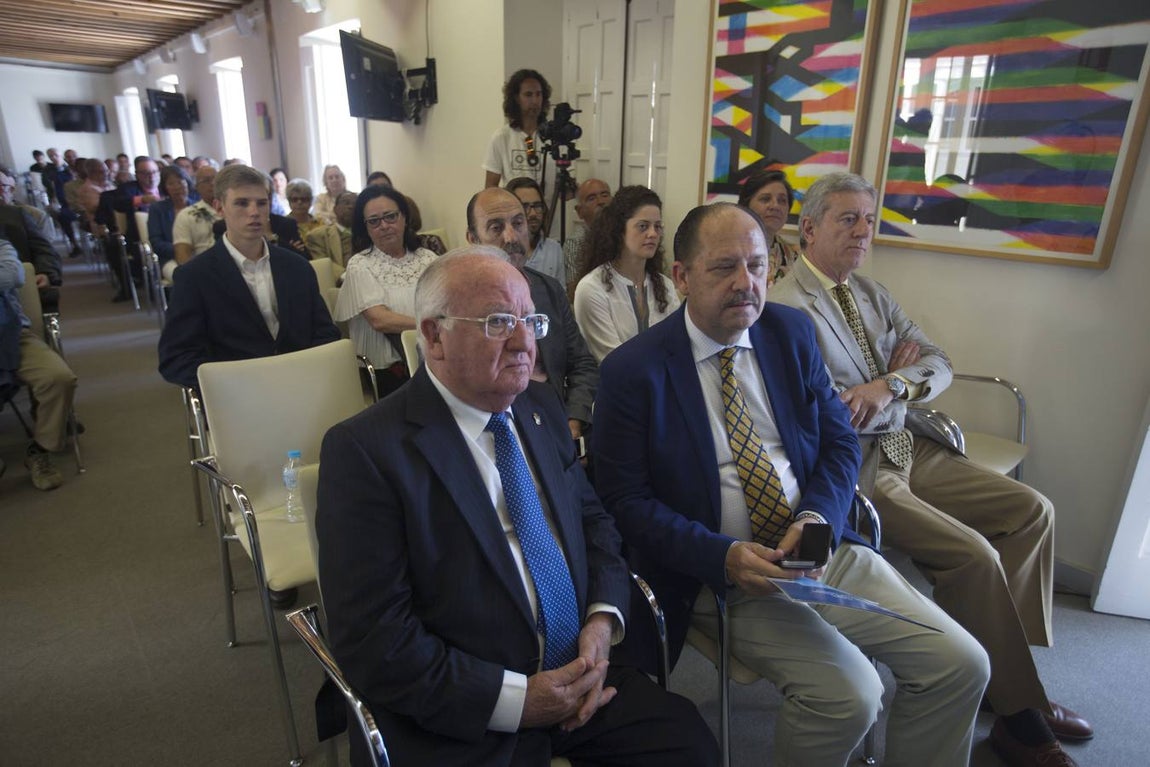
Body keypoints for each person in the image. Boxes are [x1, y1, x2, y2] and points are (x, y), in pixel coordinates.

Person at [592, 201, 991, 767]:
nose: (746, 284)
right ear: (681, 276)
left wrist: (817, 519)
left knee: (962, 663)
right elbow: (623, 503)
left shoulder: (790, 332)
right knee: (851, 695)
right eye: (724, 267)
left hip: (819, 548)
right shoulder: (634, 371)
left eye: (757, 266)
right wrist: (724, 556)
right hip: (720, 574)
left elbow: (839, 443)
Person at [316, 247, 719, 767]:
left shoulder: (539, 408)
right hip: (463, 706)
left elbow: (596, 526)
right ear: (434, 336)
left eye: (531, 321)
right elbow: (375, 641)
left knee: (690, 748)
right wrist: (516, 701)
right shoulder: (366, 451)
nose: (525, 342)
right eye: (499, 322)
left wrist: (600, 625)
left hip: (582, 672)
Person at [769, 171, 1088, 767]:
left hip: (909, 443)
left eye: (869, 219)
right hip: (860, 467)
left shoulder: (872, 292)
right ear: (808, 228)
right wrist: (876, 390)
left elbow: (937, 362)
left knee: (1031, 511)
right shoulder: (787, 307)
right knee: (974, 555)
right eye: (847, 219)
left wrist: (889, 382)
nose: (864, 231)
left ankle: (1007, 679)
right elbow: (826, 414)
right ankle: (1021, 716)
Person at [157, 164, 340, 392]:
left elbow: (325, 333)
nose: (254, 212)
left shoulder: (297, 267)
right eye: (242, 203)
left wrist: (309, 372)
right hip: (236, 393)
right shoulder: (193, 276)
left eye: (261, 203)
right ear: (219, 208)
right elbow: (175, 357)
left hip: (301, 383)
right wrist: (233, 383)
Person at [466, 187, 597, 443]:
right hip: (494, 427)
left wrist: (574, 420)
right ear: (473, 239)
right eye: (496, 227)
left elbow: (583, 364)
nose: (511, 236)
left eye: (518, 223)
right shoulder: (458, 299)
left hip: (554, 419)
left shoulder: (548, 290)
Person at [333, 186, 438, 397]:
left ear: (404, 218)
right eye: (374, 221)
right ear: (366, 228)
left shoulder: (427, 258)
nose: (384, 226)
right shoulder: (360, 264)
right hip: (390, 369)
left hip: (433, 357)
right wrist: (432, 325)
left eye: (390, 216)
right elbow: (380, 320)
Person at [1, 236, 78, 491]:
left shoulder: (2, 247)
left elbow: (12, 276)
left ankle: (40, 449)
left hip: (11, 335)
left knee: (58, 378)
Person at [572, 185, 679, 362]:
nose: (652, 233)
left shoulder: (664, 285)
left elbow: (676, 346)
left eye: (657, 226)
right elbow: (613, 360)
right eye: (643, 226)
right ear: (620, 230)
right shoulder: (591, 288)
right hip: (611, 387)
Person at [483, 69, 558, 198]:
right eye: (528, 95)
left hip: (549, 215)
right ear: (516, 98)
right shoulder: (501, 137)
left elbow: (566, 192)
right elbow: (490, 188)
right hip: (515, 214)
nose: (535, 101)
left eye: (538, 94)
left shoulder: (555, 136)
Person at [737, 168, 801, 285]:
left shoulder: (795, 257)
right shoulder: (727, 249)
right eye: (765, 199)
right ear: (746, 205)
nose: (775, 206)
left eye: (782, 200)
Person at [506, 176, 564, 283]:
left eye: (537, 206)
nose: (533, 214)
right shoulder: (502, 249)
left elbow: (560, 295)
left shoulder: (554, 248)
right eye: (525, 206)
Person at [562, 178, 612, 291]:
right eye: (592, 198)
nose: (601, 202)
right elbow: (574, 291)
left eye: (605, 195)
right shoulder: (576, 242)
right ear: (580, 211)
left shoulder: (626, 235)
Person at [147, 165, 193, 281]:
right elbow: (156, 242)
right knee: (184, 277)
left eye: (180, 181)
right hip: (169, 257)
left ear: (187, 182)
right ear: (165, 188)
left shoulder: (197, 207)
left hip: (198, 255)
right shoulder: (157, 209)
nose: (177, 187)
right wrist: (181, 250)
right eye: (171, 184)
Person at [172, 165, 220, 267]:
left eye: (216, 179)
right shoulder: (186, 215)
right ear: (197, 187)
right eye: (206, 181)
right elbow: (182, 255)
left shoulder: (234, 210)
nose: (212, 183)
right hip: (203, 267)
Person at [304, 190, 357, 276]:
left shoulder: (369, 233)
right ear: (335, 209)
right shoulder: (318, 236)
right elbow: (323, 265)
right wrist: (348, 277)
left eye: (355, 204)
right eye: (346, 203)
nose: (351, 206)